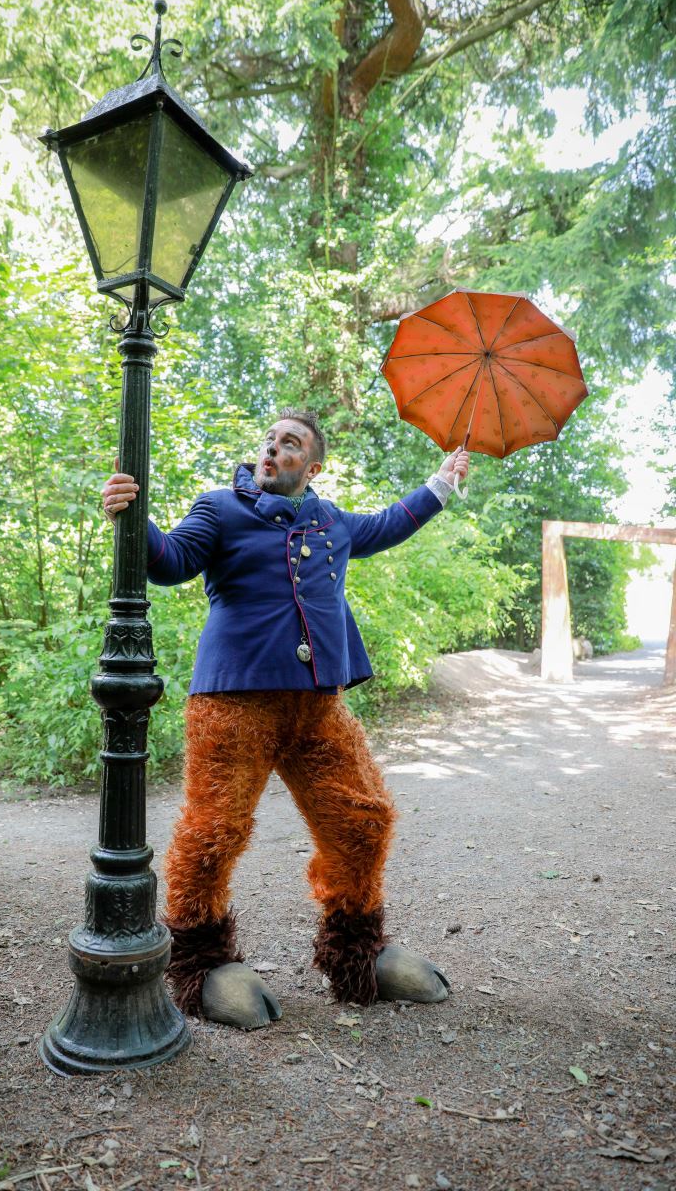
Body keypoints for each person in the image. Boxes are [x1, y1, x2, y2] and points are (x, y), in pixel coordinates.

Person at [102, 410, 469, 1029]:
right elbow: (168, 562)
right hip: (234, 700)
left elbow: (389, 523)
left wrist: (440, 483)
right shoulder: (221, 508)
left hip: (318, 701)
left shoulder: (330, 520)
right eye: (269, 441)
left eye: (289, 444)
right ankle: (203, 963)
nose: (273, 450)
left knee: (363, 819)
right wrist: (132, 517)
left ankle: (357, 952)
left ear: (313, 465)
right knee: (215, 829)